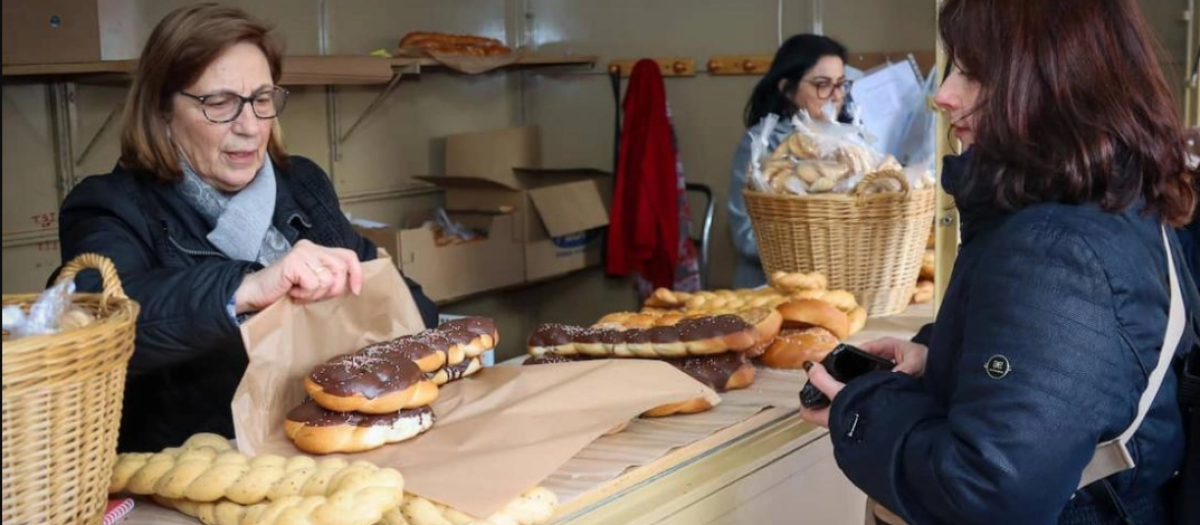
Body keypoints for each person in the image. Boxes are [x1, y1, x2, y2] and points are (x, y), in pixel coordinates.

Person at [800, 0, 1197, 524]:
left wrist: (863, 406)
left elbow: (988, 491)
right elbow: (1085, 379)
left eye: (974, 73)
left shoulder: (1054, 248)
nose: (944, 95)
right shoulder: (1117, 198)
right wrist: (942, 358)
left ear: (1055, 83)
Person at [52, 4, 439, 453]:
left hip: (325, 454)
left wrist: (366, 302)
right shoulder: (110, 204)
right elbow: (96, 321)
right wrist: (244, 289)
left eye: (261, 99)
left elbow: (411, 309)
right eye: (219, 103)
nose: (250, 126)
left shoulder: (302, 185)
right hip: (196, 470)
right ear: (161, 110)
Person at [727, 34, 855, 288]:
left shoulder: (853, 144)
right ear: (787, 88)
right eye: (822, 84)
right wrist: (817, 251)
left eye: (841, 84)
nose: (835, 95)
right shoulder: (760, 145)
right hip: (771, 288)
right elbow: (745, 235)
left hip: (840, 284)